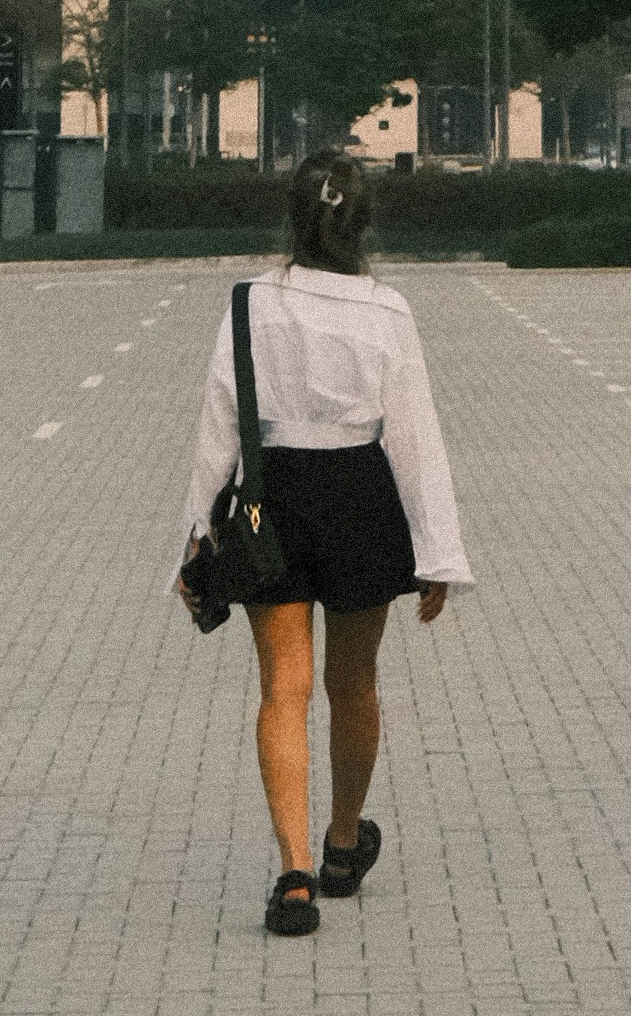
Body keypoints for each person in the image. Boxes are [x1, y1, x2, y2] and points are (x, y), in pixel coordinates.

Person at [179, 151, 470, 937]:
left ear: (293, 221)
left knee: (284, 690)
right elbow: (415, 435)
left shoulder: (249, 306)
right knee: (355, 682)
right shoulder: (387, 309)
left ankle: (294, 876)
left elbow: (218, 423)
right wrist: (439, 553)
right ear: (363, 223)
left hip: (271, 500)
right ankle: (345, 844)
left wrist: (199, 535)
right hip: (361, 495)